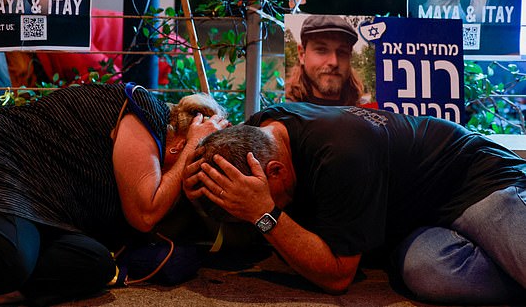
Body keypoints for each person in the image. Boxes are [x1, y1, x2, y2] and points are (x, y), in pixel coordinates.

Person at [0, 82, 228, 306]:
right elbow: (145, 213)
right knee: (9, 252)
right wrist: (193, 150)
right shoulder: (145, 110)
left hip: (35, 208)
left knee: (91, 264)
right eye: (191, 161)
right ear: (181, 142)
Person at [184, 102, 526, 304]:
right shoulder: (260, 133)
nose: (252, 221)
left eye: (253, 205)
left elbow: (336, 278)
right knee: (425, 275)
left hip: (482, 182)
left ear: (273, 171)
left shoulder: (340, 155)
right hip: (421, 223)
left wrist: (263, 214)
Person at [285, 15, 364, 106]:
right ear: (302, 55)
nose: (334, 62)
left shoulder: (365, 113)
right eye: (321, 50)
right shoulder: (285, 113)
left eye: (342, 52)